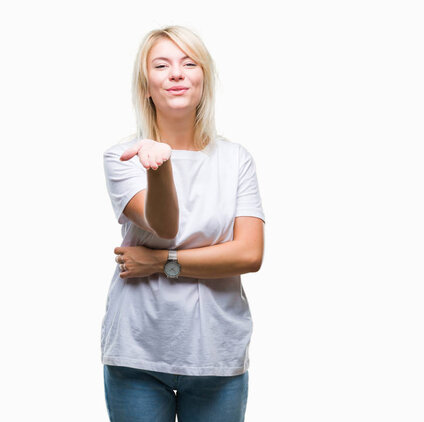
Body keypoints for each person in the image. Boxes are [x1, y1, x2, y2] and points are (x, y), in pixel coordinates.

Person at [100, 25, 265, 422]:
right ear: (146, 86)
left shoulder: (235, 158)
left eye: (189, 63)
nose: (176, 73)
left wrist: (160, 263)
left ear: (203, 80)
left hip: (216, 353)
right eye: (162, 65)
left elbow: (249, 253)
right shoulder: (123, 157)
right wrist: (159, 165)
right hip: (138, 350)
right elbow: (164, 225)